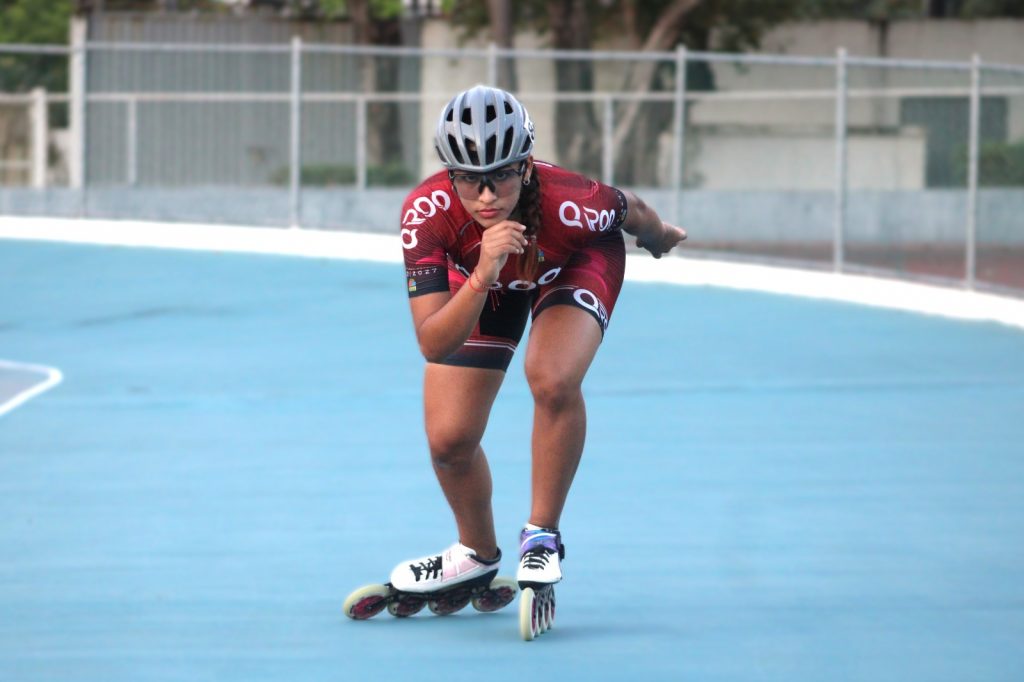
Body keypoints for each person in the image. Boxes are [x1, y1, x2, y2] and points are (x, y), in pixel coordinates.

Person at [390, 85, 686, 594]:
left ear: (526, 167)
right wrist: (483, 273)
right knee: (450, 443)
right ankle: (476, 553)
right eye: (470, 179)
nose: (486, 196)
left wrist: (658, 237)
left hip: (571, 263)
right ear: (450, 174)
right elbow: (434, 343)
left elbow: (632, 209)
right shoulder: (426, 213)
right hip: (487, 278)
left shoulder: (572, 202)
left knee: (550, 378)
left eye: (501, 176)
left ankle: (542, 536)